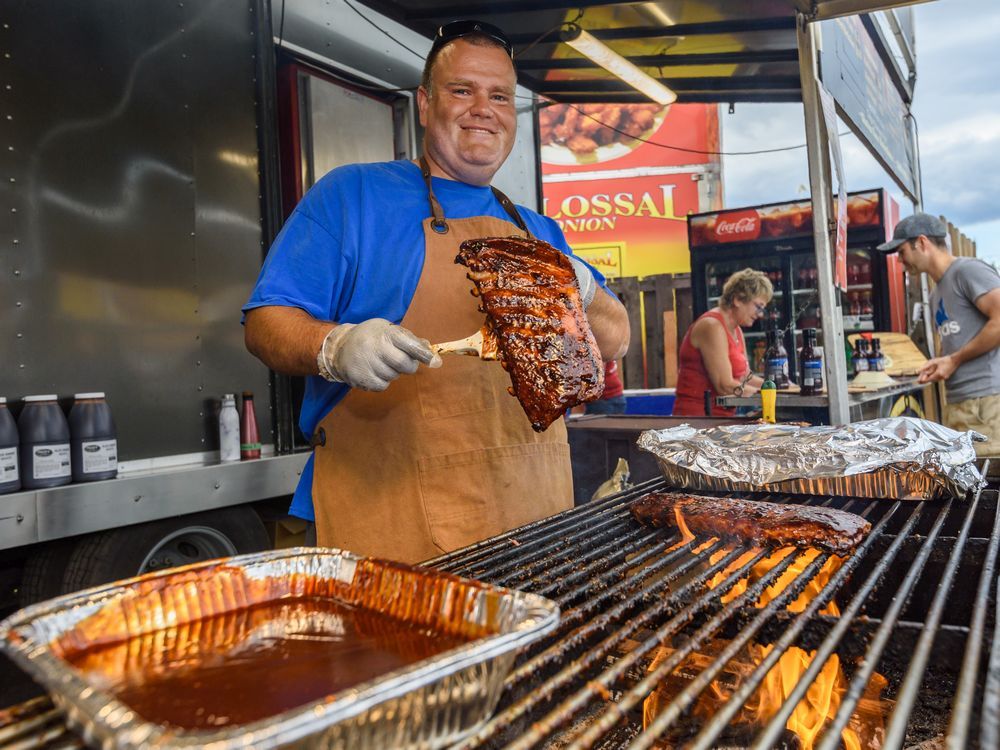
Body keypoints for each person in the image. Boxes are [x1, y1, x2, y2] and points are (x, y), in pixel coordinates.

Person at [243, 20, 630, 562]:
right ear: (425, 104)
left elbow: (613, 341)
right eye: (462, 90)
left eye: (498, 95)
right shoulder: (353, 196)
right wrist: (334, 347)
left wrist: (583, 286)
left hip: (536, 524)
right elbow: (264, 323)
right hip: (389, 521)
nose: (482, 108)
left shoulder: (540, 232)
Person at [877, 212, 1000, 456]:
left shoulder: (967, 271)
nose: (901, 261)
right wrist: (940, 364)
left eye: (901, 252)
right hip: (960, 403)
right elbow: (957, 344)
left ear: (922, 242)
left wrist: (954, 360)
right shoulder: (935, 294)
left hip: (987, 403)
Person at [672, 269, 773, 417]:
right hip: (697, 420)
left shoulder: (736, 329)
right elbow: (724, 385)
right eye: (758, 306)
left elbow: (745, 376)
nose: (760, 314)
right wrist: (769, 396)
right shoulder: (712, 326)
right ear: (738, 299)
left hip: (720, 418)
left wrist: (775, 387)